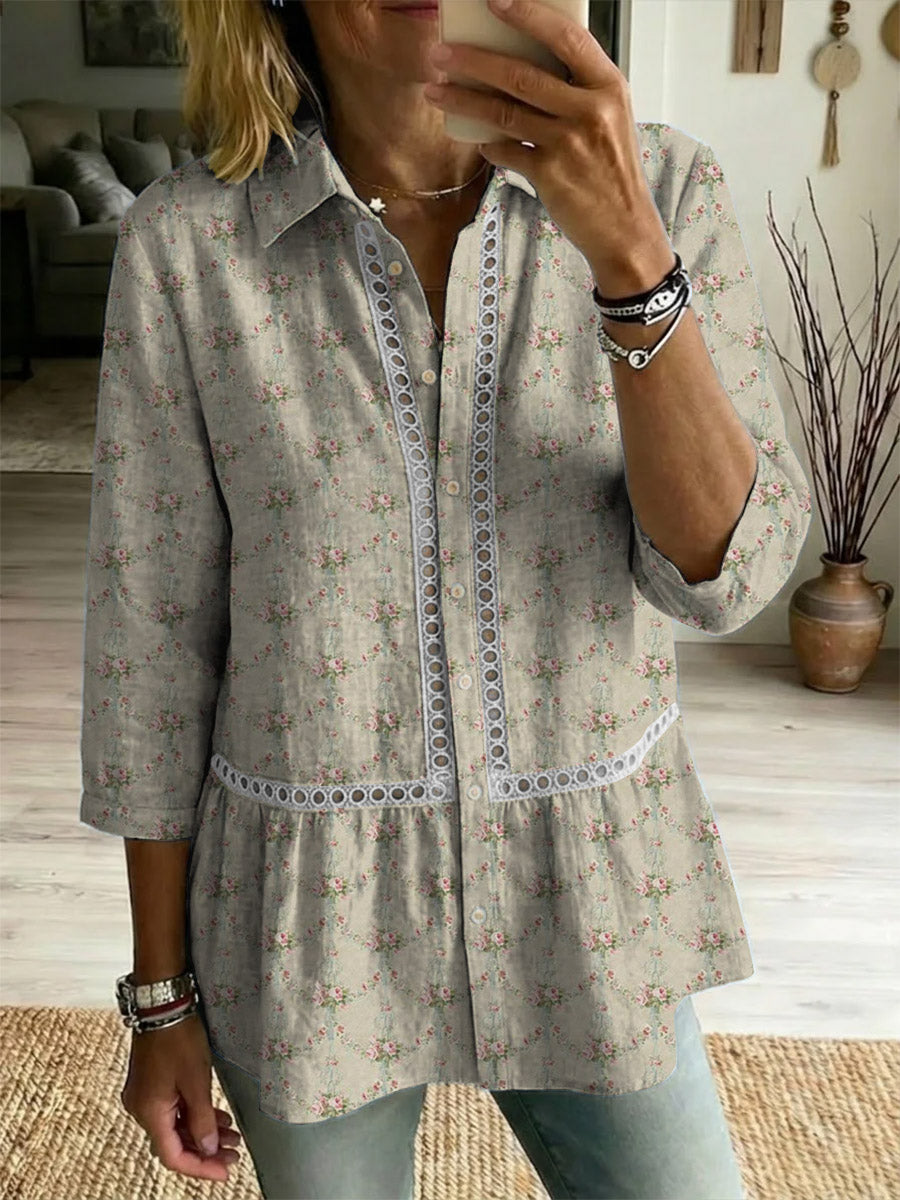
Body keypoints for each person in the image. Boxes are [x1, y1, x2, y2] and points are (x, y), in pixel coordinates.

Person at [78, 0, 812, 1197]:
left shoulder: (664, 188)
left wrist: (629, 257)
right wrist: (160, 999)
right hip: (307, 929)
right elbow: (148, 652)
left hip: (593, 901)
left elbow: (722, 575)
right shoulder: (189, 247)